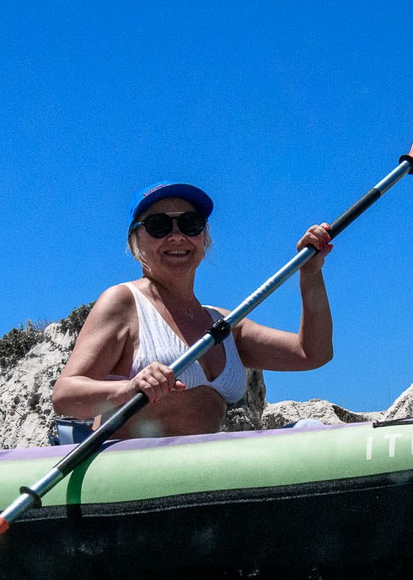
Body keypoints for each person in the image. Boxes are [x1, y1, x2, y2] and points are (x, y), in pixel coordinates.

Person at [52, 182, 334, 439]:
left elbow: (311, 353)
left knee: (311, 431)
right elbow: (65, 395)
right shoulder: (123, 302)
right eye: (159, 225)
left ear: (204, 239)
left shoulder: (224, 323)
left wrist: (310, 274)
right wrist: (128, 389)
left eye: (190, 224)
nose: (177, 236)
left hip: (201, 472)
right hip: (132, 474)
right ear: (135, 241)